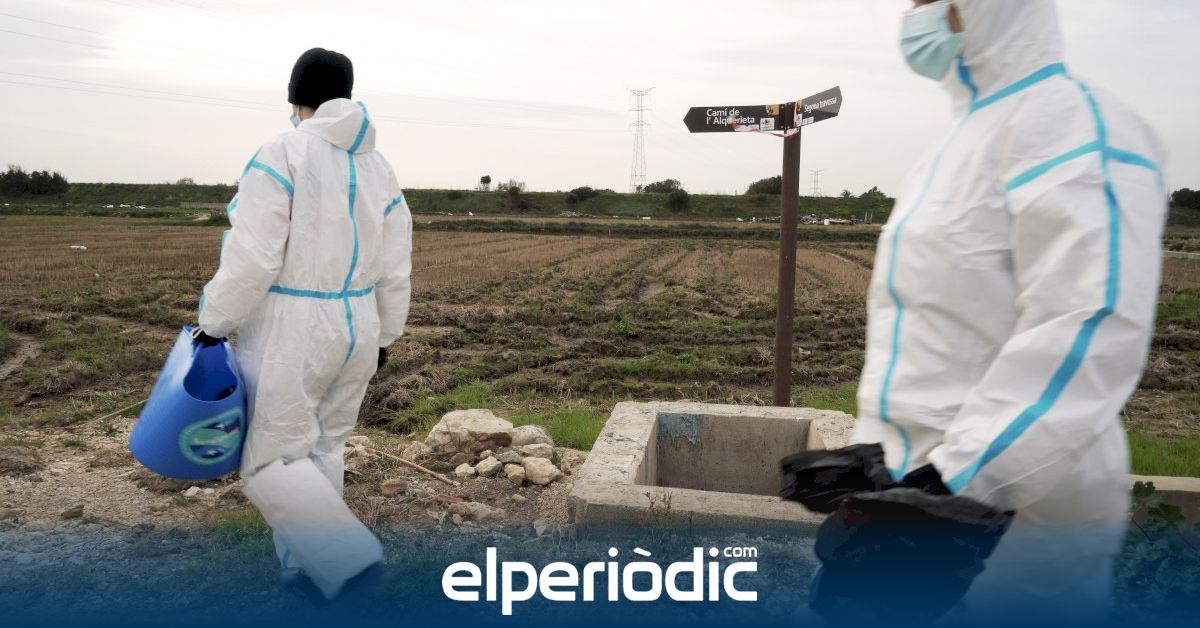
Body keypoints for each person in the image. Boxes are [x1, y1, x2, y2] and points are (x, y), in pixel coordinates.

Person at [786, 0, 1168, 621]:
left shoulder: (1073, 126)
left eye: (926, 0)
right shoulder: (960, 143)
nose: (914, 14)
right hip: (919, 500)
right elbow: (937, 337)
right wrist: (875, 460)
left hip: (1011, 525)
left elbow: (1086, 329)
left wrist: (950, 490)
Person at [196, 47, 413, 600]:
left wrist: (214, 322)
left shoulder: (283, 153)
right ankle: (310, 574)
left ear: (296, 98)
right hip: (359, 322)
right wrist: (387, 332)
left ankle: (348, 562)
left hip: (294, 326)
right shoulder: (379, 166)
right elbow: (396, 262)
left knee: (270, 460)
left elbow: (253, 255)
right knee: (323, 447)